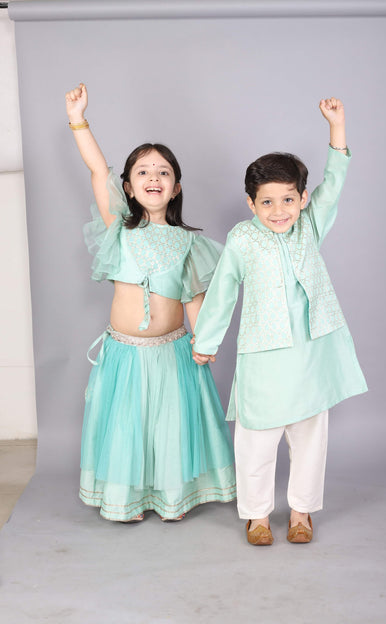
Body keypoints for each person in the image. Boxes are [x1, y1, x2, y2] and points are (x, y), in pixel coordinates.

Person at [192, 98, 367, 545]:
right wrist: (206, 341)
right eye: (267, 202)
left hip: (310, 351)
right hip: (263, 353)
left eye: (288, 199)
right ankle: (257, 515)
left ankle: (302, 512)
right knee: (256, 437)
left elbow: (335, 181)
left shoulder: (310, 225)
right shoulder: (242, 239)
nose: (279, 210)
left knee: (310, 435)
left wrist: (337, 126)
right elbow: (223, 291)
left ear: (303, 199)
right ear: (251, 203)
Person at [65, 83, 236, 522]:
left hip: (172, 351)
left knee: (170, 425)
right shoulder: (119, 229)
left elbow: (194, 298)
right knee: (128, 426)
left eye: (163, 172)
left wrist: (205, 341)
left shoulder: (189, 243)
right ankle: (128, 499)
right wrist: (79, 120)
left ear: (176, 188)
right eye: (143, 172)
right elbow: (97, 170)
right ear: (128, 187)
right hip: (124, 352)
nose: (153, 178)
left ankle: (172, 498)